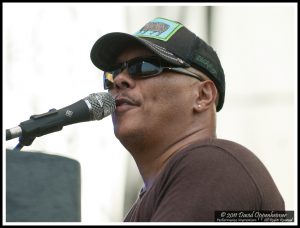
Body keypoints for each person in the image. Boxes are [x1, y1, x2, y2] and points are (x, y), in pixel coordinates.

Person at [90, 17, 285, 222]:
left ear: (202, 96)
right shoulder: (152, 198)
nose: (119, 79)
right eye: (111, 75)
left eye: (143, 67)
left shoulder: (214, 163)